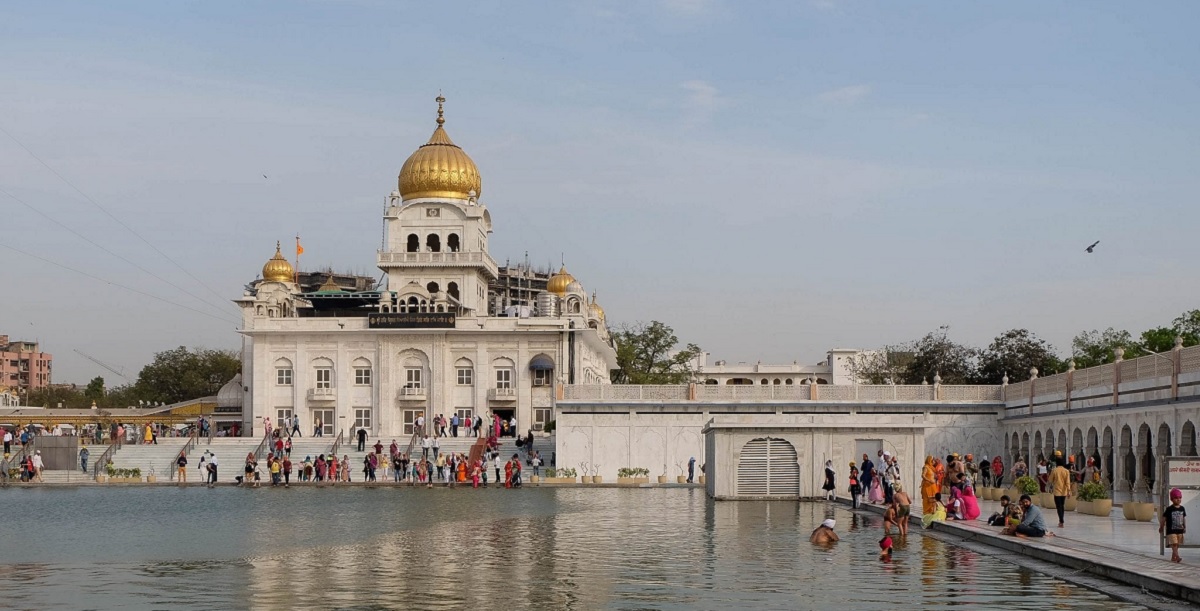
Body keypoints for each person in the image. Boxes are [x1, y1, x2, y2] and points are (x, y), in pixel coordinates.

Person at [1161, 488, 1187, 563]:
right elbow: (1164, 518)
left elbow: (1184, 518)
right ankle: (1177, 557)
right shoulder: (1169, 509)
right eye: (1176, 498)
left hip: (1179, 530)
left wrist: (1185, 526)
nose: (1178, 499)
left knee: (1177, 544)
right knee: (1174, 544)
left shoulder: (1182, 508)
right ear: (1172, 499)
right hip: (1171, 530)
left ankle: (1173, 557)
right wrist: (1161, 526)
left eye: (1180, 498)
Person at [1048, 456, 1071, 528]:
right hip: (1064, 491)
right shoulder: (1066, 471)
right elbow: (1068, 482)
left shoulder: (1054, 470)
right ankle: (1061, 521)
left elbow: (1050, 480)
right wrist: (1069, 491)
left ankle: (1061, 521)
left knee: (1058, 507)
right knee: (1062, 506)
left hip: (1057, 491)